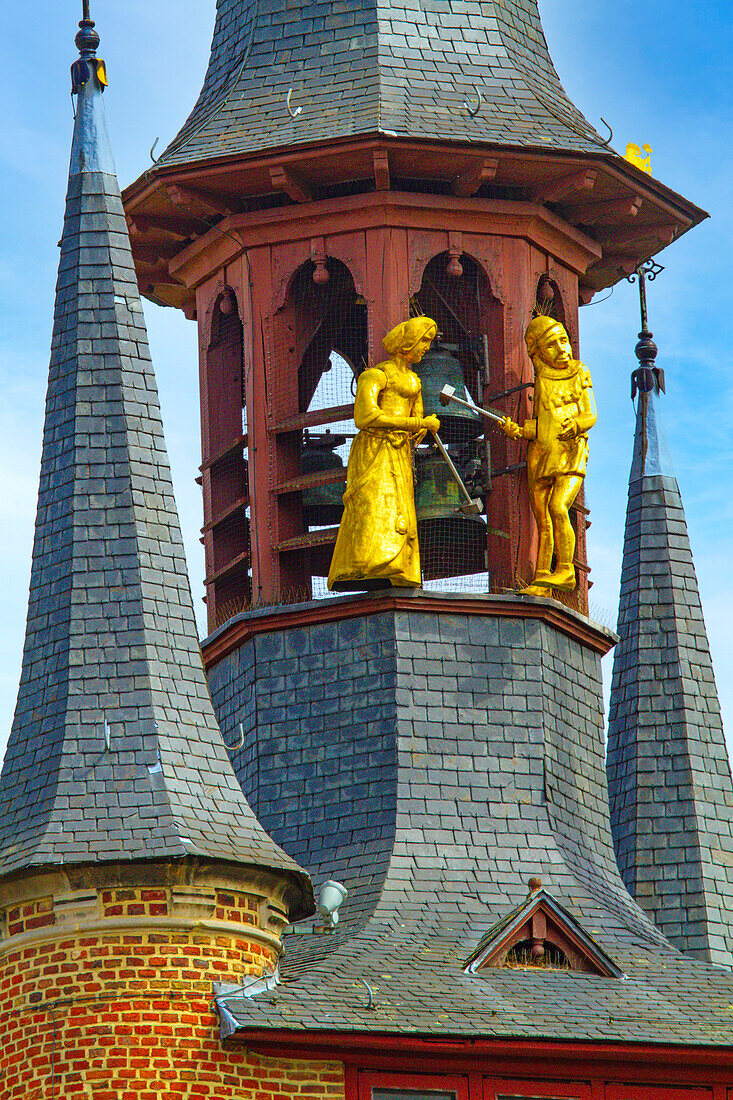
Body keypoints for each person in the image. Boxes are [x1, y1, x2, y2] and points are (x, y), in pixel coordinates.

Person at [327, 317, 439, 590]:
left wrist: (421, 427)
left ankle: (397, 565)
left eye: (428, 342)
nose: (426, 347)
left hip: (399, 451)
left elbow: (417, 414)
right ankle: (364, 564)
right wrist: (417, 424)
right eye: (423, 340)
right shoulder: (375, 375)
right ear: (407, 342)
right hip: (374, 448)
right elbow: (365, 417)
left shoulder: (414, 380)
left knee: (398, 507)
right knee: (371, 503)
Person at [500, 315, 596, 594]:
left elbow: (590, 414)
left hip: (570, 451)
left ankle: (566, 570)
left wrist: (576, 425)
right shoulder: (541, 377)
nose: (562, 349)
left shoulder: (579, 372)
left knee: (558, 507)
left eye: (564, 341)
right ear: (538, 352)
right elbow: (545, 423)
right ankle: (542, 578)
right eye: (552, 345)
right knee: (542, 520)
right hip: (542, 453)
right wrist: (518, 429)